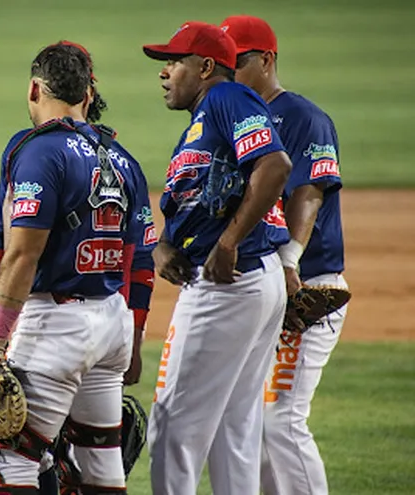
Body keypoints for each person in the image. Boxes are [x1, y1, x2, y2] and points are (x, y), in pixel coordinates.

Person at [0, 40, 155, 494]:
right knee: (100, 467)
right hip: (111, 322)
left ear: (35, 90)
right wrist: (132, 343)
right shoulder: (122, 158)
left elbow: (20, 253)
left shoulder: (39, 152)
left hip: (56, 327)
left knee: (6, 465)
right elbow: (139, 259)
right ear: (87, 97)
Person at [141, 21, 294, 495]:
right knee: (233, 429)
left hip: (229, 282)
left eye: (174, 62)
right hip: (249, 282)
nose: (164, 73)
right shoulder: (202, 120)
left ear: (206, 67)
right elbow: (199, 199)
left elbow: (275, 165)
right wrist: (165, 244)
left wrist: (227, 241)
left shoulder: (227, 99)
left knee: (172, 428)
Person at [221, 15, 349, 495]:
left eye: (238, 62)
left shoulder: (303, 117)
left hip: (307, 288)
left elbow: (309, 193)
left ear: (267, 60)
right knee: (249, 422)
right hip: (263, 291)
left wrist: (290, 259)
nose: (227, 72)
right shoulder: (234, 116)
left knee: (281, 418)